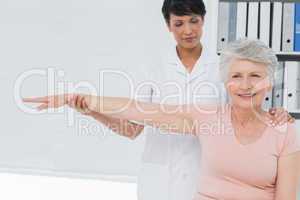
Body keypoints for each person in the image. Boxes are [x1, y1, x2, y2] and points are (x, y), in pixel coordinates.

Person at [23, 39, 300, 199]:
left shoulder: (285, 130)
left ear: (269, 83)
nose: (245, 85)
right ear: (226, 82)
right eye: (237, 76)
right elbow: (140, 110)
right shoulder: (207, 117)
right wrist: (79, 98)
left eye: (255, 77)